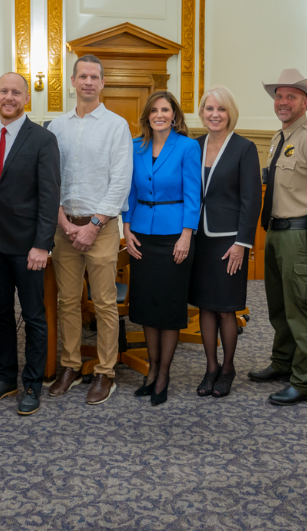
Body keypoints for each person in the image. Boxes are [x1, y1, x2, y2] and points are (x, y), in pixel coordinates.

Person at [247, 69, 307, 406]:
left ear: (305, 102)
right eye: (279, 96)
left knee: (302, 308)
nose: (282, 102)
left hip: (300, 235)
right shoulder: (281, 137)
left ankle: (305, 381)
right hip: (275, 232)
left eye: (290, 96)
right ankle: (283, 362)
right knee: (279, 306)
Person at [0, 72, 61, 416]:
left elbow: (50, 194)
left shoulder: (42, 138)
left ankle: (32, 384)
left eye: (16, 92)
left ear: (26, 97)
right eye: (3, 90)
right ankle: (5, 378)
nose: (8, 96)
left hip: (28, 247)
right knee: (0, 315)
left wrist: (43, 244)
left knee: (34, 316)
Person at [48, 55, 133, 404]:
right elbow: (50, 181)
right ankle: (69, 365)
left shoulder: (117, 125)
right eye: (82, 76)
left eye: (94, 77)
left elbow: (120, 181)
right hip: (65, 227)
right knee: (66, 301)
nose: (87, 82)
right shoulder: (55, 127)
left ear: (102, 83)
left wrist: (94, 225)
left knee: (103, 303)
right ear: (72, 80)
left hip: (103, 227)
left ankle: (105, 371)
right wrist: (64, 222)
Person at [124, 91, 201, 406]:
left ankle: (164, 374)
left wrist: (187, 235)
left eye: (165, 110)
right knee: (146, 306)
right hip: (141, 234)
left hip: (174, 237)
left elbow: (194, 193)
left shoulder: (187, 146)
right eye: (154, 110)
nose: (159, 114)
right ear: (147, 115)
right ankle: (151, 370)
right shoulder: (134, 146)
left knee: (168, 308)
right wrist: (127, 229)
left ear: (174, 115)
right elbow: (128, 190)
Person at [188, 86, 261, 398]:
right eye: (209, 109)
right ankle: (211, 367)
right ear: (202, 113)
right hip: (199, 239)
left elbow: (252, 200)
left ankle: (228, 367)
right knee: (205, 306)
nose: (214, 114)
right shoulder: (195, 145)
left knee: (226, 309)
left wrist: (242, 243)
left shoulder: (244, 148)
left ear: (230, 113)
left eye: (221, 109)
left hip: (229, 241)